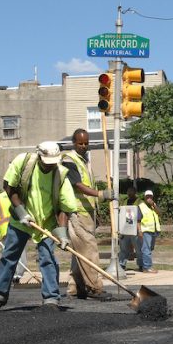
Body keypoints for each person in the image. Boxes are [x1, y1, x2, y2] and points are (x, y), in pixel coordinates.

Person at [0, 141, 78, 311]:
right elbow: (9, 187)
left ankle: (51, 299)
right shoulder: (23, 162)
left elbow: (64, 207)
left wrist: (63, 234)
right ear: (39, 157)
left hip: (46, 223)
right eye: (47, 163)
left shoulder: (61, 174)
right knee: (9, 255)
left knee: (47, 258)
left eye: (53, 163)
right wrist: (21, 212)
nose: (50, 167)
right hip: (21, 218)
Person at [61, 128, 115, 300]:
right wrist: (100, 194)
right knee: (89, 250)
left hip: (87, 212)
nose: (84, 146)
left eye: (86, 143)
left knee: (80, 251)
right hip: (77, 212)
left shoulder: (83, 161)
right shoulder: (69, 160)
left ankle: (75, 288)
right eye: (80, 143)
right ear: (73, 143)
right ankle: (94, 288)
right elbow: (77, 185)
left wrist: (96, 208)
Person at [0, 186, 29, 283]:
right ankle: (16, 276)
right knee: (21, 254)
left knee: (8, 254)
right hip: (21, 229)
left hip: (6, 230)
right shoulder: (22, 196)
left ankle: (11, 276)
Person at [138, 190, 161, 273]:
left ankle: (143, 266)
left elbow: (159, 213)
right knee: (146, 249)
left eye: (150, 196)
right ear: (144, 197)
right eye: (147, 196)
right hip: (146, 230)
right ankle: (147, 267)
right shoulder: (141, 206)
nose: (149, 198)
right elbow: (138, 220)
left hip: (153, 231)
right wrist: (140, 230)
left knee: (149, 249)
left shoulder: (153, 206)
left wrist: (154, 205)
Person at [119, 186, 142, 270]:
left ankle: (141, 265)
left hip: (135, 228)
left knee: (138, 249)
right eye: (128, 192)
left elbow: (141, 216)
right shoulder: (124, 202)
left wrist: (139, 229)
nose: (129, 193)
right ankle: (122, 264)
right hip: (125, 228)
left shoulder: (140, 202)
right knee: (123, 248)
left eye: (131, 192)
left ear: (135, 192)